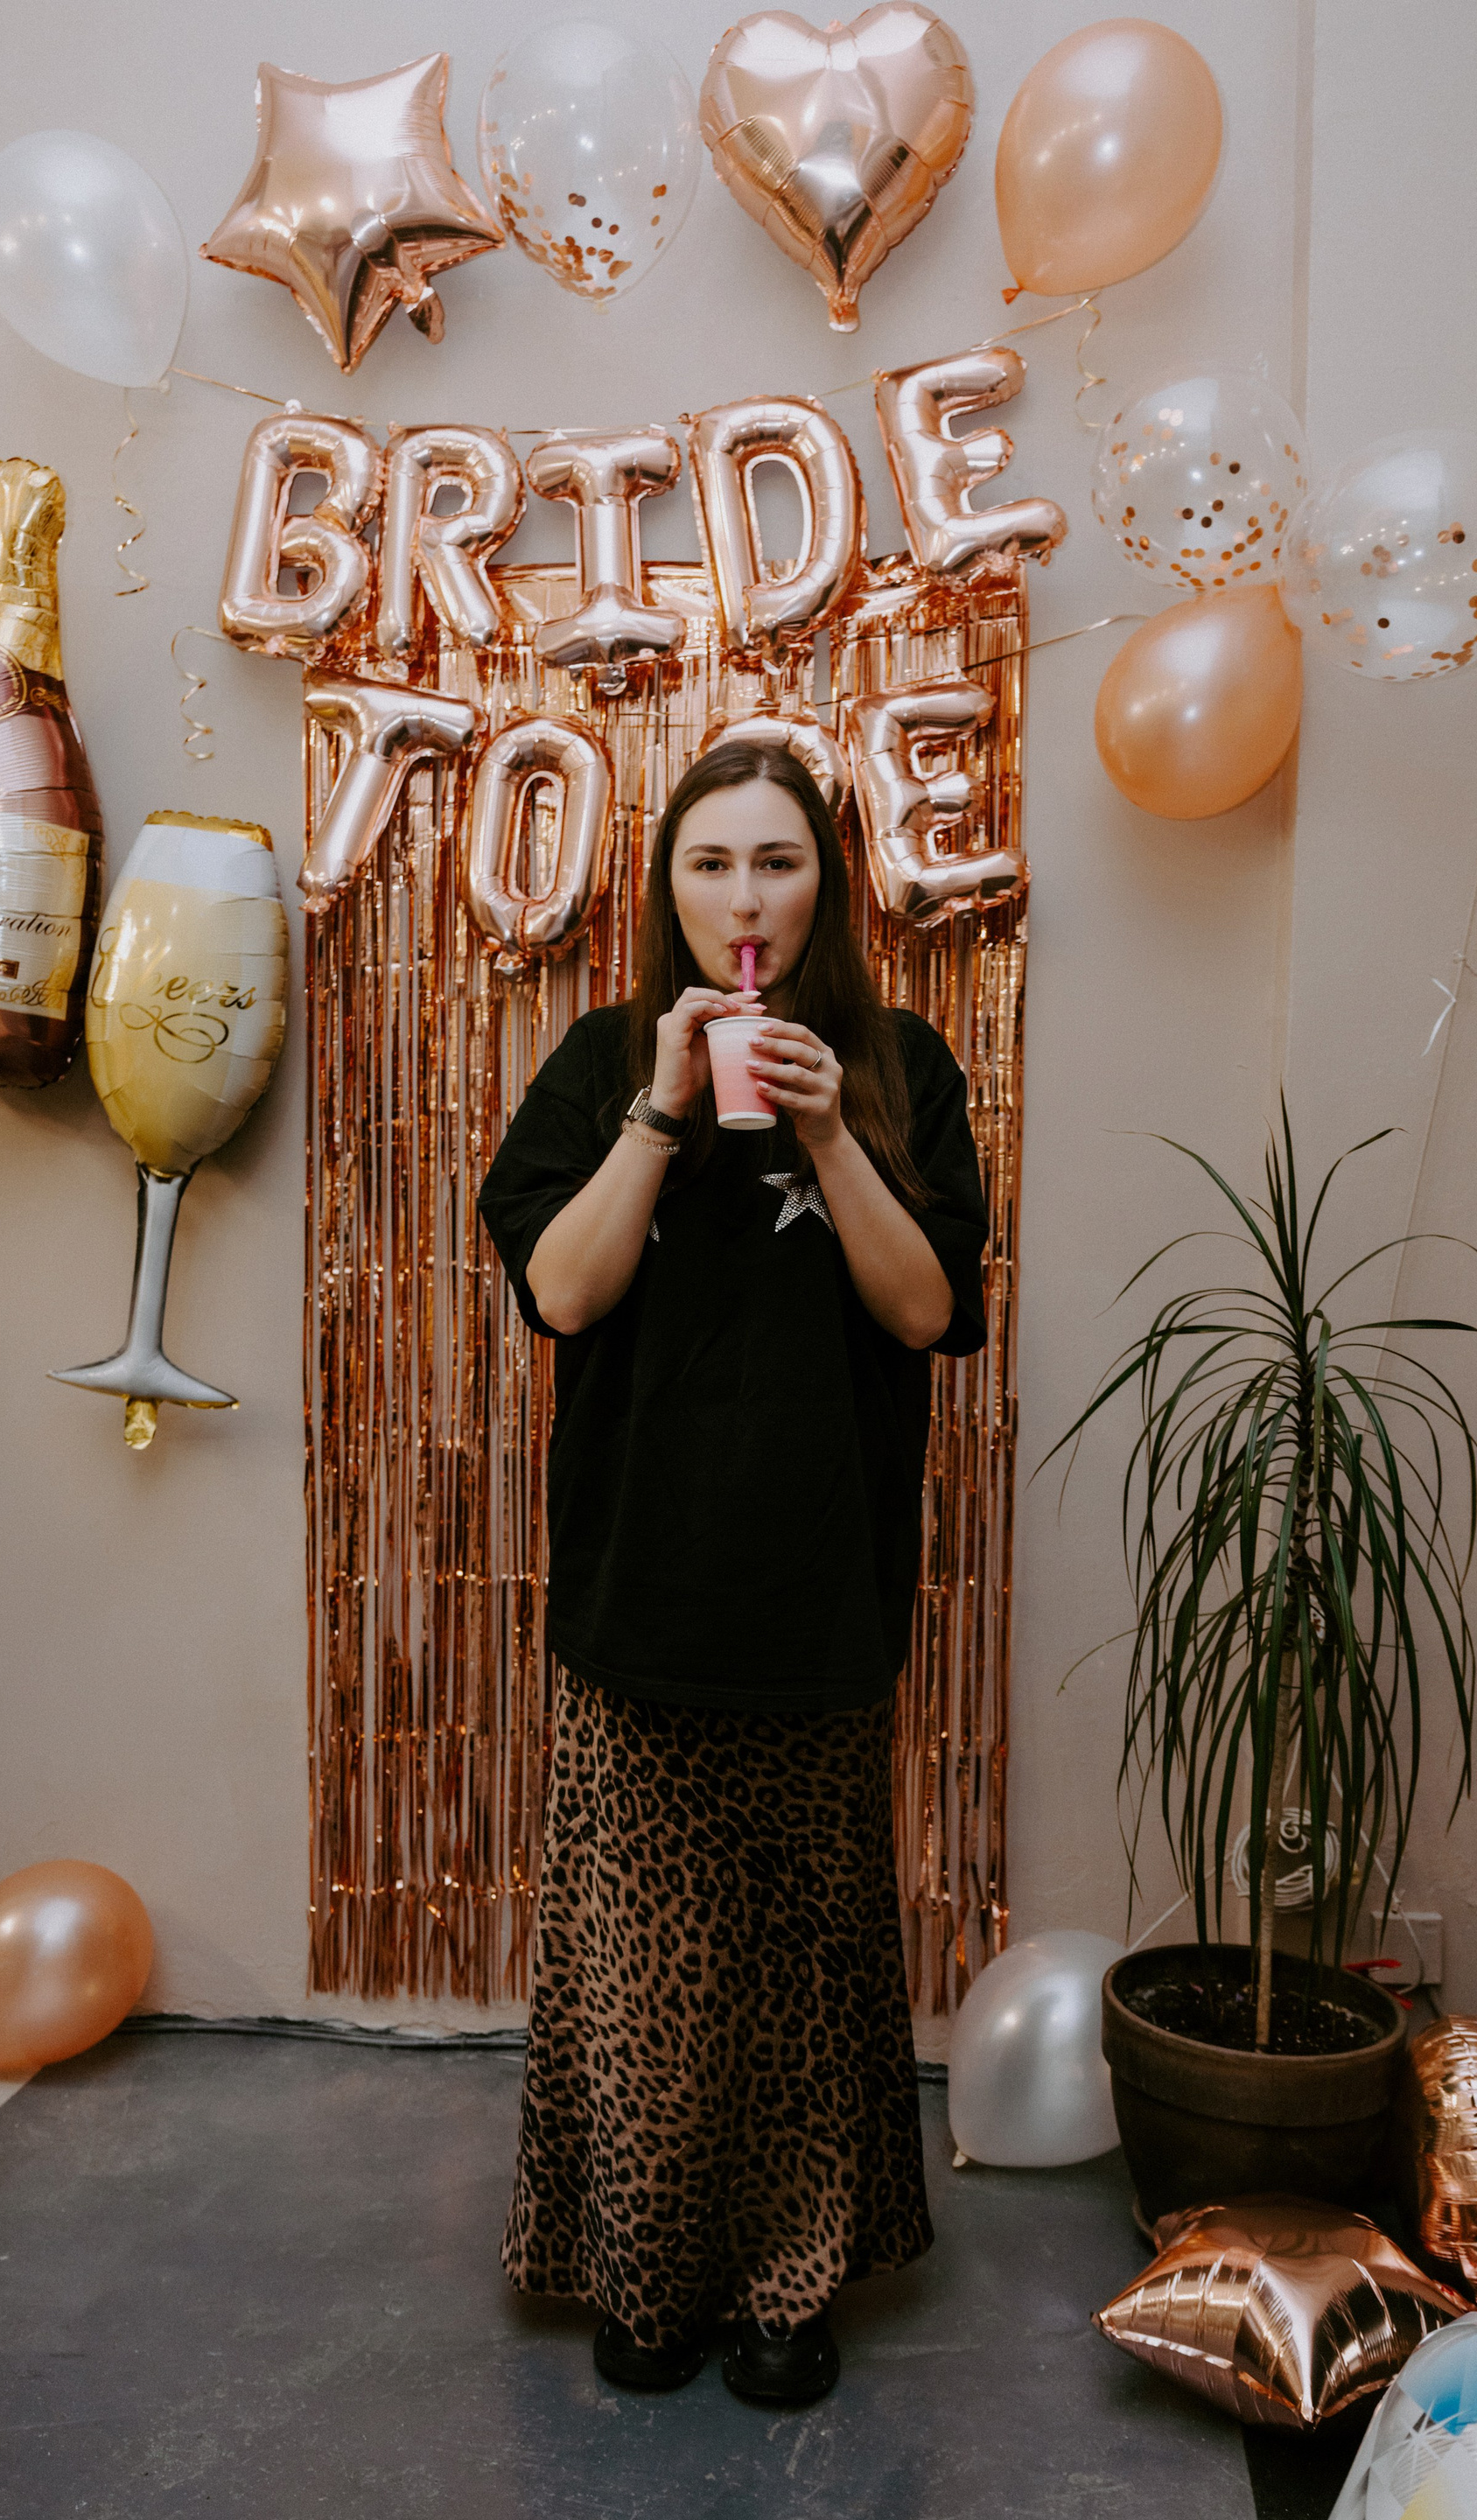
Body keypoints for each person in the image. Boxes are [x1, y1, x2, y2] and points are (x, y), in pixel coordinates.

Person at [476, 739, 988, 2407]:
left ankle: (787, 2286)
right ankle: (645, 2277)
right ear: (670, 888)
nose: (744, 898)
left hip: (821, 1588)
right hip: (640, 1586)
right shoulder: (600, 1062)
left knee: (802, 1970)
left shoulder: (901, 1066)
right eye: (711, 863)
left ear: (825, 885)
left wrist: (834, 1136)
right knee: (641, 1974)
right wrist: (660, 1108)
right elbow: (562, 1294)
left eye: (777, 862)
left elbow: (926, 1313)